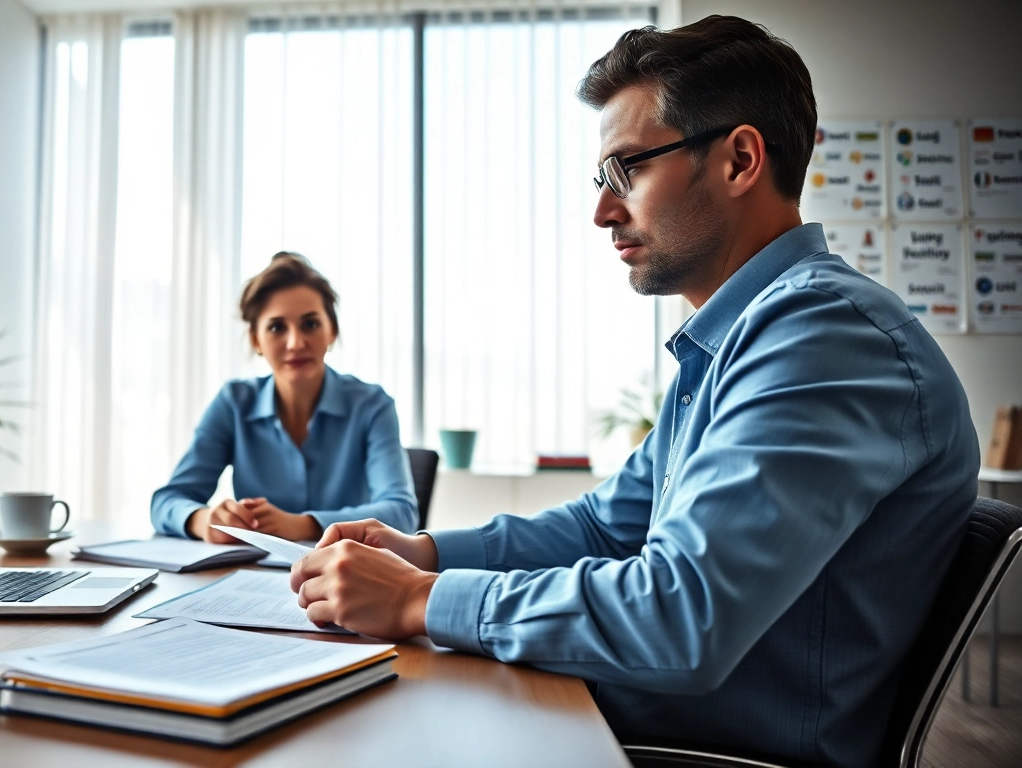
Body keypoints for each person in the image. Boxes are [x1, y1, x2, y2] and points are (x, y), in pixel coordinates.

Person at [288, 16, 978, 768]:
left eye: (628, 171)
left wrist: (419, 600)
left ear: (740, 159)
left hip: (696, 754)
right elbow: (604, 527)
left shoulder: (823, 339)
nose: (602, 210)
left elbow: (681, 616)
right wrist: (423, 554)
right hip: (628, 721)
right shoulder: (738, 341)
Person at [151, 252, 418, 544]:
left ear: (332, 330)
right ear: (256, 340)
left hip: (349, 578)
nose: (295, 343)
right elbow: (167, 501)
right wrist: (203, 520)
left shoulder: (372, 405)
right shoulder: (233, 403)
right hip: (250, 579)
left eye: (310, 324)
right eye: (277, 327)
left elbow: (401, 513)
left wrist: (303, 525)